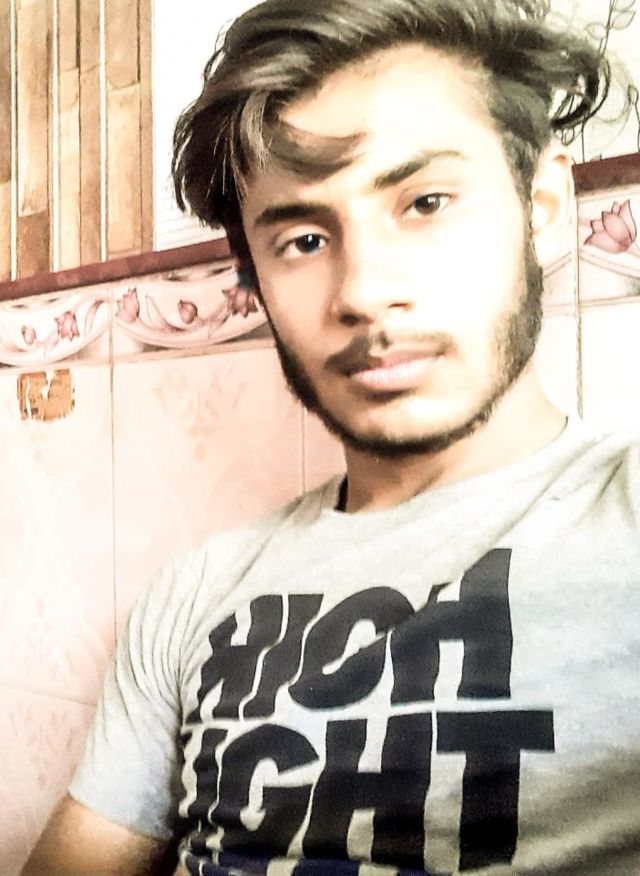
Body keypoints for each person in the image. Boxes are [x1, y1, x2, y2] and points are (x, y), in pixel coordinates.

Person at [22, 0, 640, 874]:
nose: (363, 291)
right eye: (304, 239)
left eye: (426, 202)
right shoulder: (193, 595)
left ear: (540, 205)